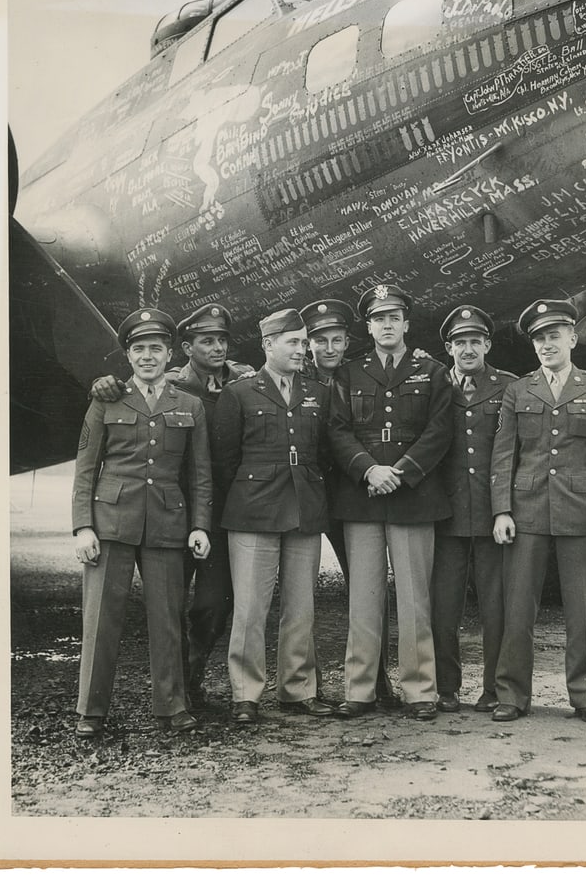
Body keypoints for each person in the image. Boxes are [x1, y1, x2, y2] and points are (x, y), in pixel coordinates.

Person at [88, 303, 255, 709]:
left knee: (213, 604)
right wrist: (103, 383)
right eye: (205, 340)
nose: (215, 348)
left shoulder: (244, 380)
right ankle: (177, 693)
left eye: (221, 340)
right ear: (185, 347)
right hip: (164, 512)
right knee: (167, 607)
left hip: (215, 512)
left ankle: (189, 675)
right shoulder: (172, 384)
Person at [71, 308, 212, 737]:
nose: (147, 356)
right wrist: (83, 526)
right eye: (138, 349)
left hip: (167, 523)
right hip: (111, 521)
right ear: (128, 355)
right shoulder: (106, 399)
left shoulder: (190, 404)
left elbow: (199, 473)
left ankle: (171, 706)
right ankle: (91, 712)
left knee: (167, 619)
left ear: (170, 353)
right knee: (101, 619)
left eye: (155, 348)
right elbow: (85, 468)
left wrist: (200, 525)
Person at [489, 299, 586, 724]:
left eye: (553, 335)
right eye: (539, 338)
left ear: (572, 338)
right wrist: (501, 511)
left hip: (581, 513)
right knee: (517, 610)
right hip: (526, 511)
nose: (546, 344)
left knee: (584, 612)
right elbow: (503, 456)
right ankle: (511, 695)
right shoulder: (518, 390)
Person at [328, 284, 453, 720]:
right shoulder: (349, 372)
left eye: (393, 317)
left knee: (415, 601)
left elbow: (439, 431)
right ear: (368, 325)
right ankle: (358, 690)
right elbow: (338, 430)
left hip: (413, 496)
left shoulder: (432, 371)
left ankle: (420, 691)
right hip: (362, 495)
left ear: (406, 323)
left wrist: (399, 472)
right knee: (363, 599)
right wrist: (368, 470)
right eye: (378, 318)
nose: (386, 325)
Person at [211, 308, 335, 724]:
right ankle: (245, 694)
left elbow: (325, 452)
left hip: (304, 508)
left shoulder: (317, 391)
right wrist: (245, 500)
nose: (303, 350)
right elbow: (225, 461)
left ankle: (297, 690)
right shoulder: (240, 393)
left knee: (301, 606)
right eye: (293, 342)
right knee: (250, 607)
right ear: (268, 345)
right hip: (253, 510)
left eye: (304, 342)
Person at [299, 299, 398, 708]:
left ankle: (377, 679)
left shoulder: (358, 374)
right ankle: (307, 686)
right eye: (320, 341)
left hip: (346, 494)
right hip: (302, 493)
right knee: (299, 594)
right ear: (307, 345)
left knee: (367, 587)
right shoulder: (291, 376)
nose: (329, 348)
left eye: (337, 340)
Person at [431, 306, 517, 714]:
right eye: (459, 342)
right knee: (443, 608)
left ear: (487, 344)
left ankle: (495, 689)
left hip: (491, 514)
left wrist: (506, 509)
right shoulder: (433, 386)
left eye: (474, 341)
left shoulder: (510, 387)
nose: (468, 349)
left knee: (495, 607)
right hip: (444, 514)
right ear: (449, 348)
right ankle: (446, 688)